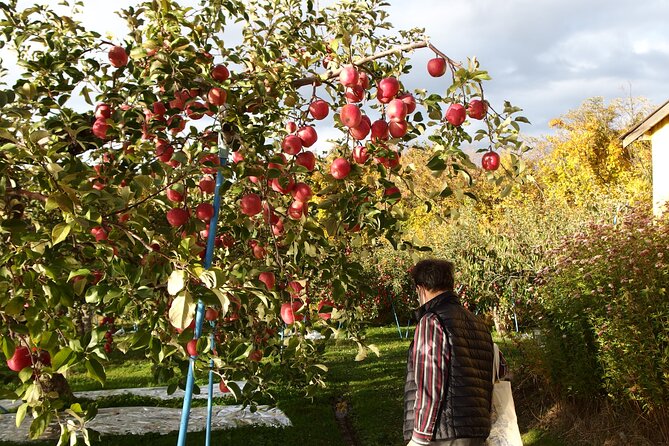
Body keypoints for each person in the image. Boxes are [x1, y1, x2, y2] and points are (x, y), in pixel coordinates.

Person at [404, 259, 504, 446]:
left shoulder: (432, 320)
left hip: (442, 433)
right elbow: (500, 369)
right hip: (476, 432)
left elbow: (430, 379)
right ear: (451, 285)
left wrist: (419, 437)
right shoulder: (478, 324)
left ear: (421, 288)